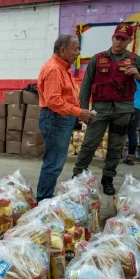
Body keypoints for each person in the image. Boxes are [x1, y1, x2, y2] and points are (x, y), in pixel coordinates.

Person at [73, 23, 140, 195]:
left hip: (123, 111)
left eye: (123, 39)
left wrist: (139, 75)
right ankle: (77, 176)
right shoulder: (97, 59)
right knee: (89, 144)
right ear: (112, 38)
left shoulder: (136, 60)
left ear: (129, 41)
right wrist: (82, 110)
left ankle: (108, 179)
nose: (119, 42)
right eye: (117, 38)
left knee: (115, 147)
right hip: (100, 110)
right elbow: (86, 86)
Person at [36, 35, 93, 202]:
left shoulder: (62, 68)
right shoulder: (54, 69)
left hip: (61, 118)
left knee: (55, 162)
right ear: (63, 50)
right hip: (56, 118)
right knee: (53, 164)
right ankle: (43, 200)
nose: (78, 53)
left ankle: (45, 197)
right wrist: (78, 112)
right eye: (75, 49)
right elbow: (54, 101)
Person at [123, 81, 140, 165]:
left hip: (125, 107)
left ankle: (113, 156)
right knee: (132, 133)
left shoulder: (124, 76)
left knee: (118, 131)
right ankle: (130, 158)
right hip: (137, 108)